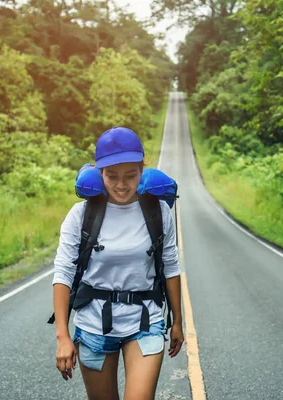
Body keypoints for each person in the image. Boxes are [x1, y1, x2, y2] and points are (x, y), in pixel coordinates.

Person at [52, 126, 184, 400]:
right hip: (93, 327)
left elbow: (170, 264)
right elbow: (63, 272)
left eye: (130, 176)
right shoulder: (82, 214)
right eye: (112, 176)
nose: (122, 185)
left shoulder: (158, 211)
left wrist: (177, 322)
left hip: (146, 322)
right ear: (100, 173)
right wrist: (63, 337)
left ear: (141, 170)